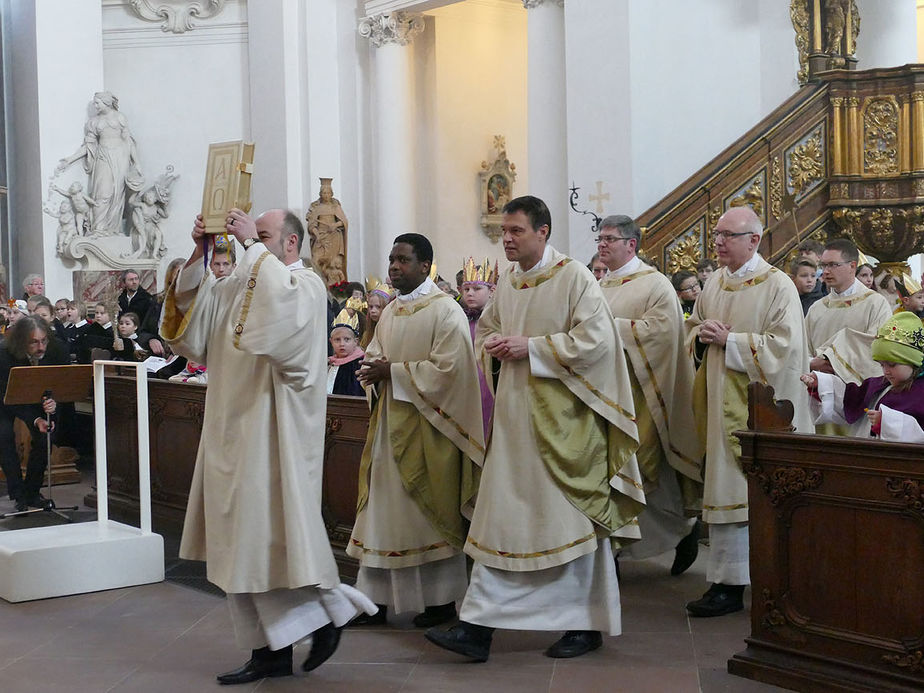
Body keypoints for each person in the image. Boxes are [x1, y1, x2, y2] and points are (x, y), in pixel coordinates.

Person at [160, 207, 374, 685]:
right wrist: (200, 252)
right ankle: (270, 650)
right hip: (231, 431)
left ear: (290, 244)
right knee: (239, 544)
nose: (246, 242)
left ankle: (319, 618)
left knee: (265, 539)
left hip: (274, 433)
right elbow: (190, 336)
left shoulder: (307, 287)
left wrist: (251, 248)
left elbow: (286, 341)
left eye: (261, 235)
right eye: (250, 236)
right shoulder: (239, 282)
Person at [426, 196, 645, 662]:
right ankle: (476, 627)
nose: (506, 238)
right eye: (504, 231)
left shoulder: (575, 278)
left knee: (570, 521)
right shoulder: (510, 280)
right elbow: (488, 330)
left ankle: (584, 624)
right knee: (501, 520)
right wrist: (497, 346)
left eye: (516, 231)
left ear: (542, 232)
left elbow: (598, 342)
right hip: (515, 422)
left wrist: (534, 348)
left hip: (566, 425)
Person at [349, 233, 485, 628]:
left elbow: (452, 372)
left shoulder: (446, 312)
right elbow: (374, 355)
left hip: (431, 429)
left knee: (426, 516)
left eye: (403, 260)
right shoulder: (390, 312)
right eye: (392, 259)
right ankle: (373, 604)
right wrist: (371, 370)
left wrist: (390, 371)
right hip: (389, 425)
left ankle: (440, 603)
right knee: (382, 517)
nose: (394, 267)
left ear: (426, 266)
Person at [685, 206, 813, 618]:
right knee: (725, 493)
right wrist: (701, 339)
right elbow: (694, 329)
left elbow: (787, 348)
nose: (718, 242)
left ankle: (774, 582)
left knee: (758, 495)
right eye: (717, 234)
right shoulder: (715, 284)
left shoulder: (778, 286)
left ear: (753, 240)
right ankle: (726, 584)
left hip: (761, 409)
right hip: (720, 403)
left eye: (727, 235)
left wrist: (731, 340)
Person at [596, 215, 704, 576]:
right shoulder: (597, 285)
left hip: (645, 393)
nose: (602, 244)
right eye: (600, 238)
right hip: (604, 394)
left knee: (641, 469)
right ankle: (611, 551)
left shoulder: (655, 284)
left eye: (610, 238)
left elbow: (660, 333)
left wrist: (607, 329)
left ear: (631, 244)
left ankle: (684, 530)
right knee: (607, 474)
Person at [804, 239, 892, 435]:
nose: (825, 271)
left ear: (852, 266)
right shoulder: (817, 308)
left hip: (859, 399)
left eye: (833, 265)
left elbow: (878, 349)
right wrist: (812, 363)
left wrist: (835, 361)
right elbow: (803, 349)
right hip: (821, 396)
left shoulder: (875, 304)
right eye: (823, 265)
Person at [802, 311, 924, 441]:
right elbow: (849, 401)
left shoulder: (920, 393)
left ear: (913, 362)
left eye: (892, 365)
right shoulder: (880, 384)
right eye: (882, 365)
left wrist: (887, 423)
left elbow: (918, 435)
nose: (886, 371)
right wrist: (821, 384)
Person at [0, 316, 67, 512]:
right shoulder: (4, 354)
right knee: (3, 436)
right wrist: (35, 419)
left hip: (40, 399)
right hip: (5, 401)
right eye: (34, 342)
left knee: (46, 436)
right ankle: (17, 493)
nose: (40, 347)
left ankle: (32, 491)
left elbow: (62, 383)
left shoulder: (56, 350)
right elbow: (6, 396)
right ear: (22, 342)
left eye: (43, 341)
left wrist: (52, 407)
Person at [55, 91, 143, 237]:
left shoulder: (120, 118)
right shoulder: (93, 122)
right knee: (102, 191)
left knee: (117, 193)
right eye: (94, 103)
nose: (95, 106)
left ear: (106, 102)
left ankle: (113, 229)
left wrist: (137, 163)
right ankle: (98, 228)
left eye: (97, 102)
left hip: (120, 157)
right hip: (102, 157)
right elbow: (88, 146)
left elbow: (128, 141)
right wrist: (70, 159)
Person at [460, 257, 498, 439]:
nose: (470, 294)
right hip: (467, 380)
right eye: (466, 289)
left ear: (492, 291)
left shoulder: (497, 319)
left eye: (477, 289)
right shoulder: (461, 319)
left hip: (488, 379)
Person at [327, 324, 365, 396]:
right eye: (337, 340)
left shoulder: (361, 364)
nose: (342, 344)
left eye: (347, 339)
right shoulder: (329, 363)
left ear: (355, 341)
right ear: (331, 341)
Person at [359, 278, 394, 350]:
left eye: (378, 307)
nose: (373, 311)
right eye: (371, 307)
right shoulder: (367, 333)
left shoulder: (391, 332)